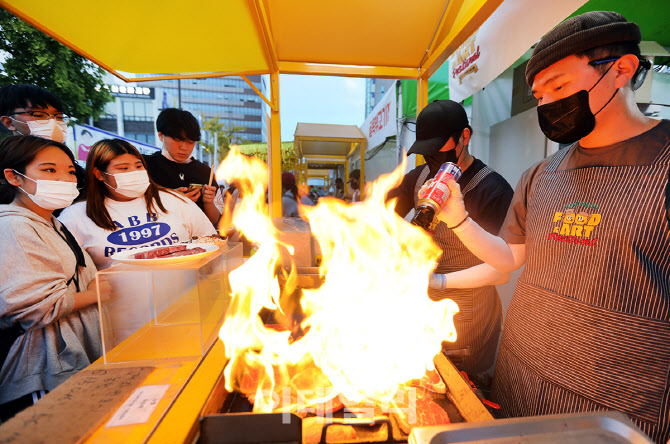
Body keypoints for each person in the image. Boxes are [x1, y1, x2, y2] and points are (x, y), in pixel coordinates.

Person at [435, 12, 669, 442]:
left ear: (621, 69)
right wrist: (460, 220)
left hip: (615, 413)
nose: (546, 105)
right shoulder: (540, 175)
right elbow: (509, 259)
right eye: (539, 95)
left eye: (559, 87)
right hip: (521, 387)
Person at [387, 99, 513, 378]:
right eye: (425, 151)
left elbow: (501, 270)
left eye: (438, 147)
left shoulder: (493, 189)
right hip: (422, 306)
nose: (432, 157)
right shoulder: (418, 178)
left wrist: (441, 281)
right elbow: (382, 217)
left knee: (465, 386)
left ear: (464, 137)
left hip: (469, 316)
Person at [0, 135, 101, 422]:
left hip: (70, 360)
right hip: (42, 369)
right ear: (14, 177)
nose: (65, 179)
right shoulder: (13, 227)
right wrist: (101, 292)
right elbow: (38, 308)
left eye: (70, 171)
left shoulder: (51, 221)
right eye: (49, 170)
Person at [59, 138, 217, 270]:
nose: (134, 173)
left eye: (138, 166)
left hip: (185, 297)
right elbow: (74, 274)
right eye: (123, 168)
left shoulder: (174, 200)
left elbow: (210, 242)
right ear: (99, 174)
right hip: (119, 304)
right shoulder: (74, 217)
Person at [0, 84, 86, 203]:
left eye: (59, 116)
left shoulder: (82, 177)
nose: (52, 122)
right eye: (38, 115)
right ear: (9, 122)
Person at [143, 108, 220, 225]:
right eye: (178, 140)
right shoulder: (145, 166)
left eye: (190, 142)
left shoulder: (206, 172)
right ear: (161, 136)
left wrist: (208, 202)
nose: (184, 147)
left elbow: (214, 220)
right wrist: (171, 199)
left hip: (199, 239)